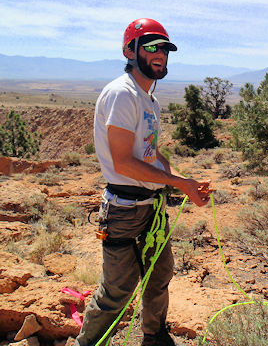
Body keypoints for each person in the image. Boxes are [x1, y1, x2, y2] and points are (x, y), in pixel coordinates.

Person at [75, 18, 211, 346]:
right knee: (117, 293)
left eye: (164, 48)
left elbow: (151, 153)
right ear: (129, 50)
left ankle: (154, 336)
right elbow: (123, 162)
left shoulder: (150, 100)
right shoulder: (123, 94)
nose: (160, 53)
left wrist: (183, 181)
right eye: (150, 46)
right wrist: (178, 185)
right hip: (123, 210)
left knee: (159, 274)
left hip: (151, 207)